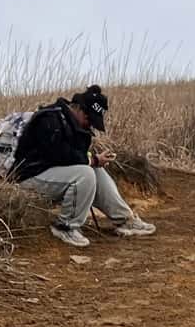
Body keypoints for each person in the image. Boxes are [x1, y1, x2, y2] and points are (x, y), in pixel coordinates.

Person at [11, 85, 157, 249]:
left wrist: (93, 160)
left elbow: (74, 156)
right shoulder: (49, 119)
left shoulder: (74, 124)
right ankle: (65, 227)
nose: (90, 125)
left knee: (94, 170)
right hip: (29, 178)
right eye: (89, 119)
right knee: (85, 173)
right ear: (78, 108)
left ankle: (124, 220)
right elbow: (58, 155)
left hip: (49, 174)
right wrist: (92, 160)